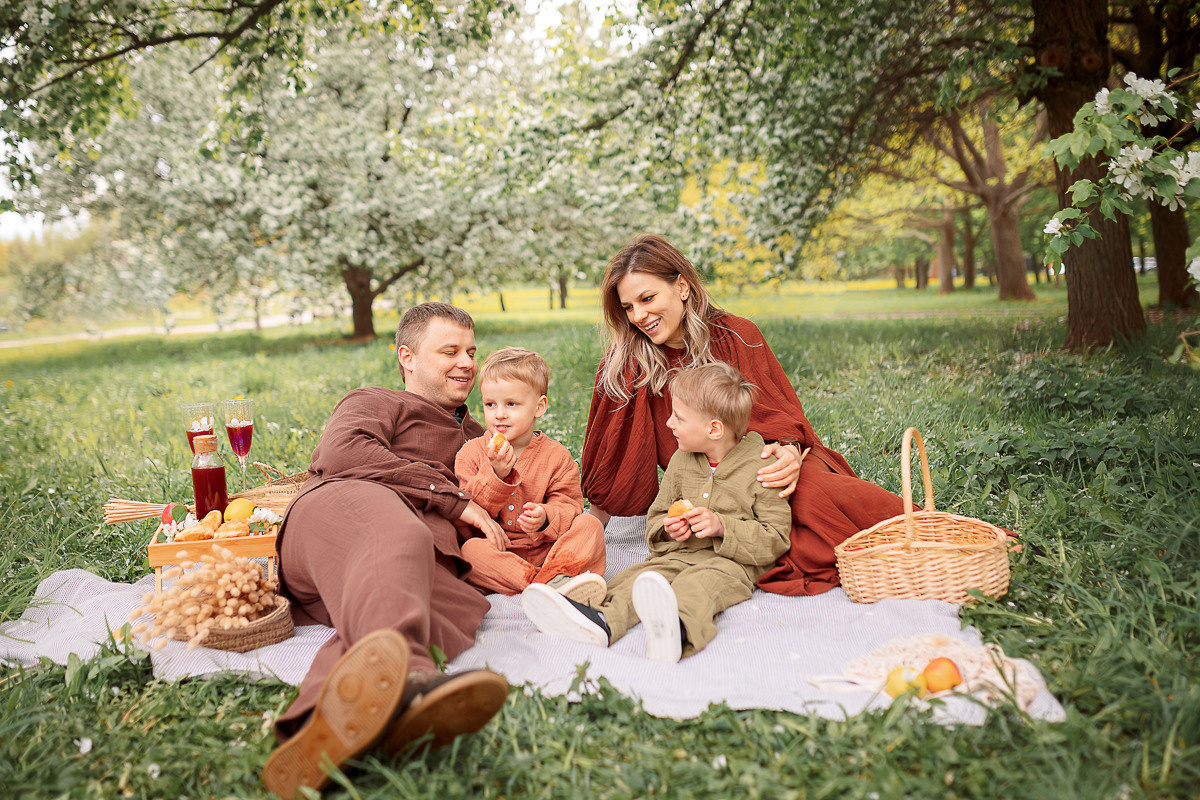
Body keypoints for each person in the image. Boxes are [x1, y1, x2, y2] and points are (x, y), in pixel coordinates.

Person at [263, 303, 509, 800]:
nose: (466, 363)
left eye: (471, 352)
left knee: (452, 608)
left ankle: (322, 729)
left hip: (405, 563)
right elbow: (342, 453)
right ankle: (414, 680)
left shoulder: (483, 439)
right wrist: (448, 498)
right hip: (344, 515)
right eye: (449, 351)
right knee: (401, 536)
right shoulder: (375, 401)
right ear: (407, 357)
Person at [581, 233, 912, 597]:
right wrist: (593, 524)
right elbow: (614, 451)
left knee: (807, 496)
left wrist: (789, 450)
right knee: (783, 537)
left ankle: (924, 534)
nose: (639, 315)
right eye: (628, 307)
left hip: (763, 456)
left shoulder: (738, 335)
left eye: (647, 298)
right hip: (706, 479)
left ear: (682, 287)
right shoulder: (627, 363)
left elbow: (780, 412)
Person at [522, 362, 792, 662]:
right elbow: (658, 514)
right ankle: (599, 622)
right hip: (678, 554)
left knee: (697, 587)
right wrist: (668, 528)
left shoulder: (763, 466)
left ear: (713, 429)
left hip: (730, 563)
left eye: (679, 417)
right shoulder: (682, 460)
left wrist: (722, 527)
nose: (669, 424)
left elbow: (776, 539)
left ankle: (678, 630)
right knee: (640, 578)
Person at [454, 347, 607, 604]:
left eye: (511, 404)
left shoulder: (556, 456)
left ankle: (555, 576)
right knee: (470, 551)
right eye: (490, 404)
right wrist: (495, 473)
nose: (499, 414)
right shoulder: (471, 453)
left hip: (551, 550)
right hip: (501, 550)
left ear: (539, 407)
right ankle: (547, 586)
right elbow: (471, 510)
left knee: (590, 525)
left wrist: (547, 517)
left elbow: (570, 505)